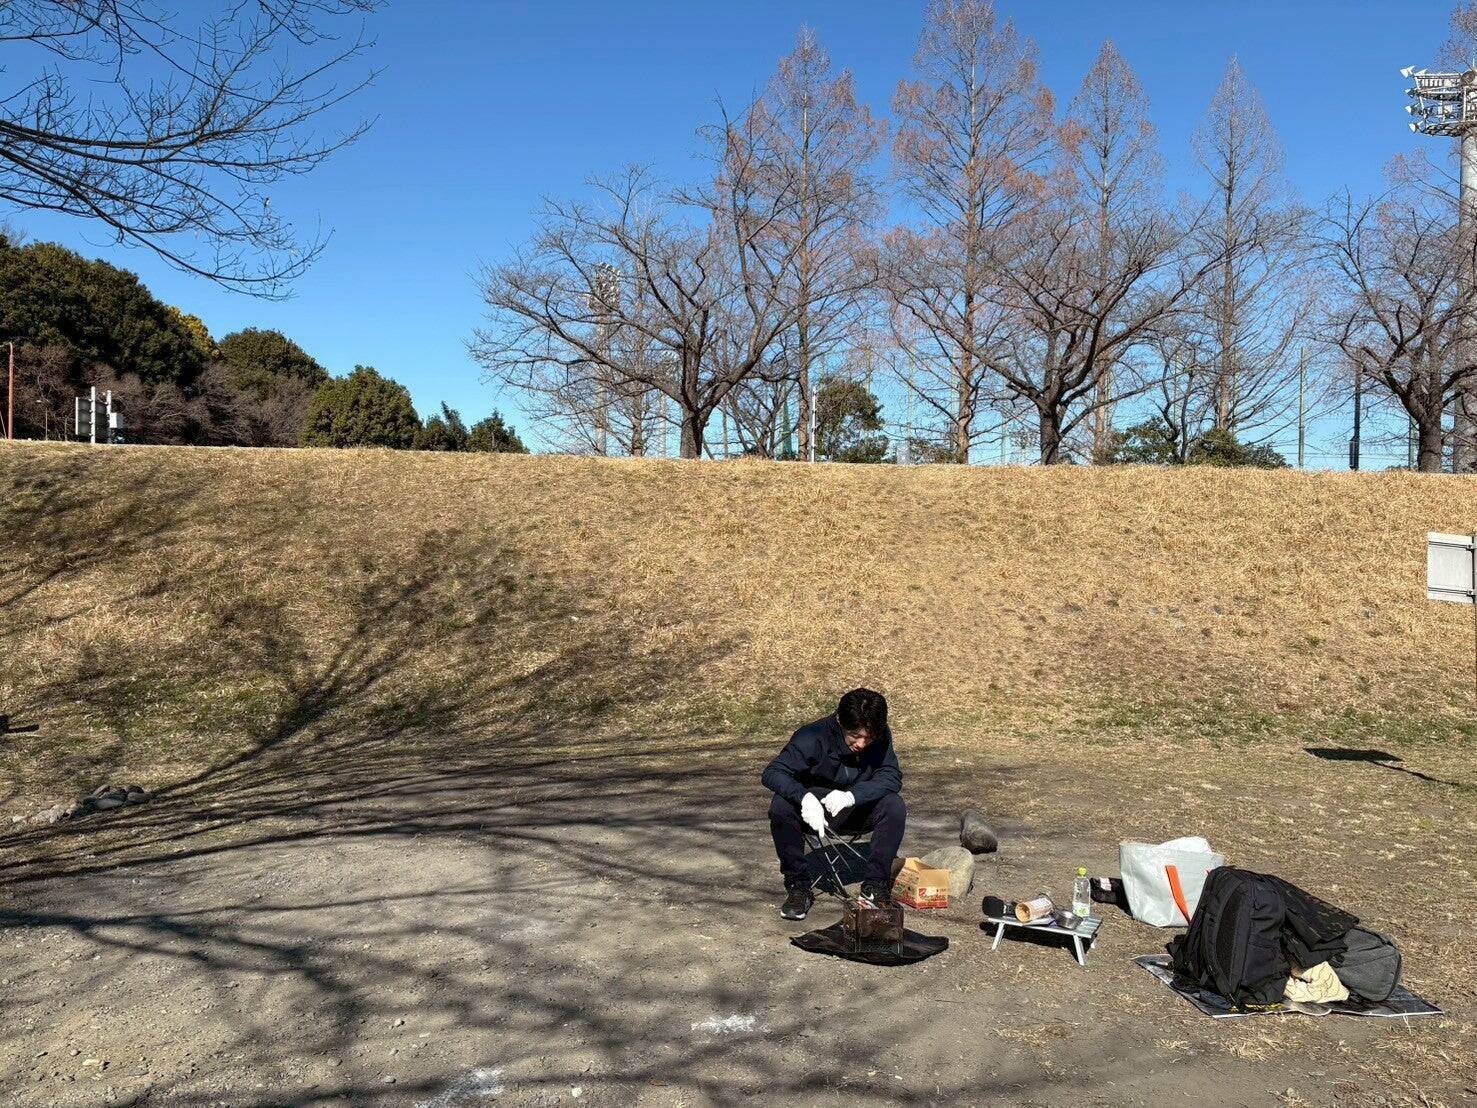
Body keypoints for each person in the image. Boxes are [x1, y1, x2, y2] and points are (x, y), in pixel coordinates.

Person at [761, 687, 905, 921]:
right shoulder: (812, 736)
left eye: (869, 738)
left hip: (856, 809)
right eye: (855, 736)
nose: (862, 744)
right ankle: (798, 885)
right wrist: (804, 798)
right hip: (814, 813)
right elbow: (773, 772)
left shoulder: (880, 736)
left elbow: (891, 775)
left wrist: (852, 796)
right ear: (840, 722)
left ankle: (875, 886)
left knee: (894, 805)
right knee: (780, 806)